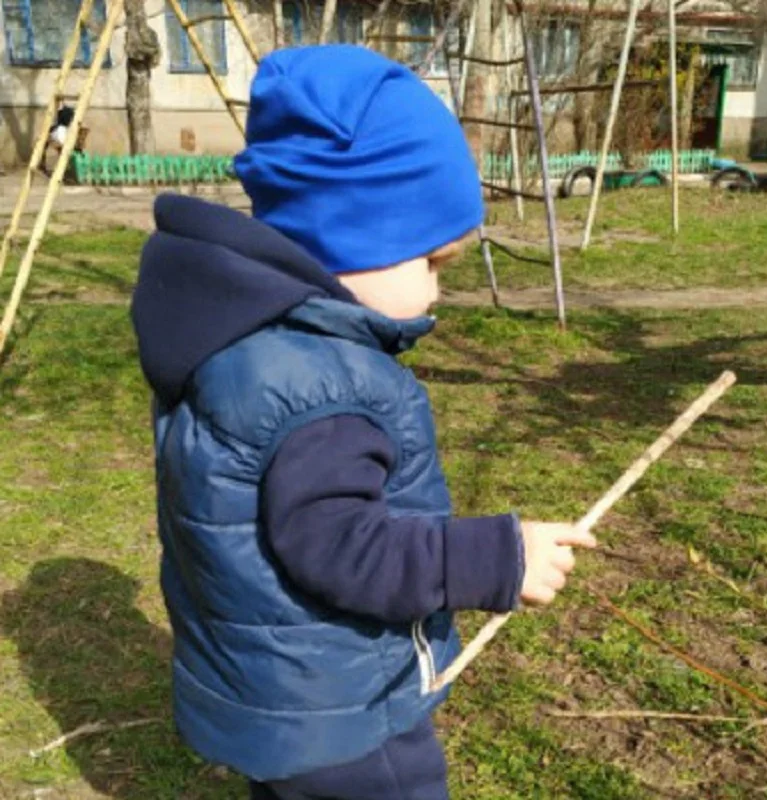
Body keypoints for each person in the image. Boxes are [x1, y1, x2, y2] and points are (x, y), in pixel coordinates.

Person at [131, 45, 596, 800]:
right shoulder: (322, 386)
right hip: (340, 713)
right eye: (432, 263)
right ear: (352, 240)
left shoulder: (245, 337)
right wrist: (497, 558)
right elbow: (342, 546)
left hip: (281, 702)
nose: (439, 289)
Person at [40, 104, 75, 176]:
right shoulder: (61, 129)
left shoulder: (56, 128)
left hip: (53, 142)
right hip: (55, 153)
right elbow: (61, 143)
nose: (71, 121)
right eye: (70, 119)